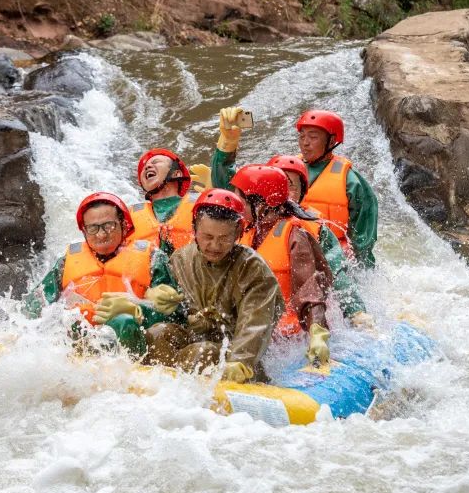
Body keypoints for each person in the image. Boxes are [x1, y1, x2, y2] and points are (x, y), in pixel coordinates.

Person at [210, 106, 379, 268]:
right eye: (302, 136)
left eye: (313, 137)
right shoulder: (283, 169)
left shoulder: (351, 181)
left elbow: (364, 235)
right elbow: (235, 194)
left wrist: (357, 265)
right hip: (285, 247)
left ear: (332, 141)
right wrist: (227, 146)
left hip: (331, 252)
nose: (305, 143)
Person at [143, 189, 284, 384]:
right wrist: (152, 296)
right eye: (207, 236)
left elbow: (256, 323)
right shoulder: (180, 259)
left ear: (238, 233)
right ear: (194, 230)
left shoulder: (253, 269)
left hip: (235, 354)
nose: (215, 246)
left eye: (224, 238)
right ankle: (159, 391)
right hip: (195, 340)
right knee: (158, 333)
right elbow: (172, 310)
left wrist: (240, 361)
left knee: (203, 352)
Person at [23, 192, 171, 356]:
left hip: (134, 340)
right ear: (84, 231)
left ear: (123, 224)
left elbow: (177, 315)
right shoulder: (66, 263)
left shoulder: (153, 258)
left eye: (109, 226)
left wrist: (138, 309)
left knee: (124, 321)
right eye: (93, 228)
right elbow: (34, 306)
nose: (101, 234)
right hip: (83, 342)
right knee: (64, 325)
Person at [229, 164, 335, 364]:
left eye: (240, 199)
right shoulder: (246, 230)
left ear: (261, 204)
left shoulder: (295, 236)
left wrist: (317, 332)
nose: (236, 205)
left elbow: (309, 288)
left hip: (287, 337)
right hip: (252, 329)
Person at [265, 154, 373, 330]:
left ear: (302, 192)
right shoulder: (246, 224)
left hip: (297, 325)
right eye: (277, 185)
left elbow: (337, 272)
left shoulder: (315, 229)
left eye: (290, 186)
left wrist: (356, 312)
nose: (283, 192)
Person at [128, 148, 197, 255]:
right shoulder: (128, 216)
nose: (147, 166)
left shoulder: (199, 205)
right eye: (145, 167)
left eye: (156, 162)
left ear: (176, 174)